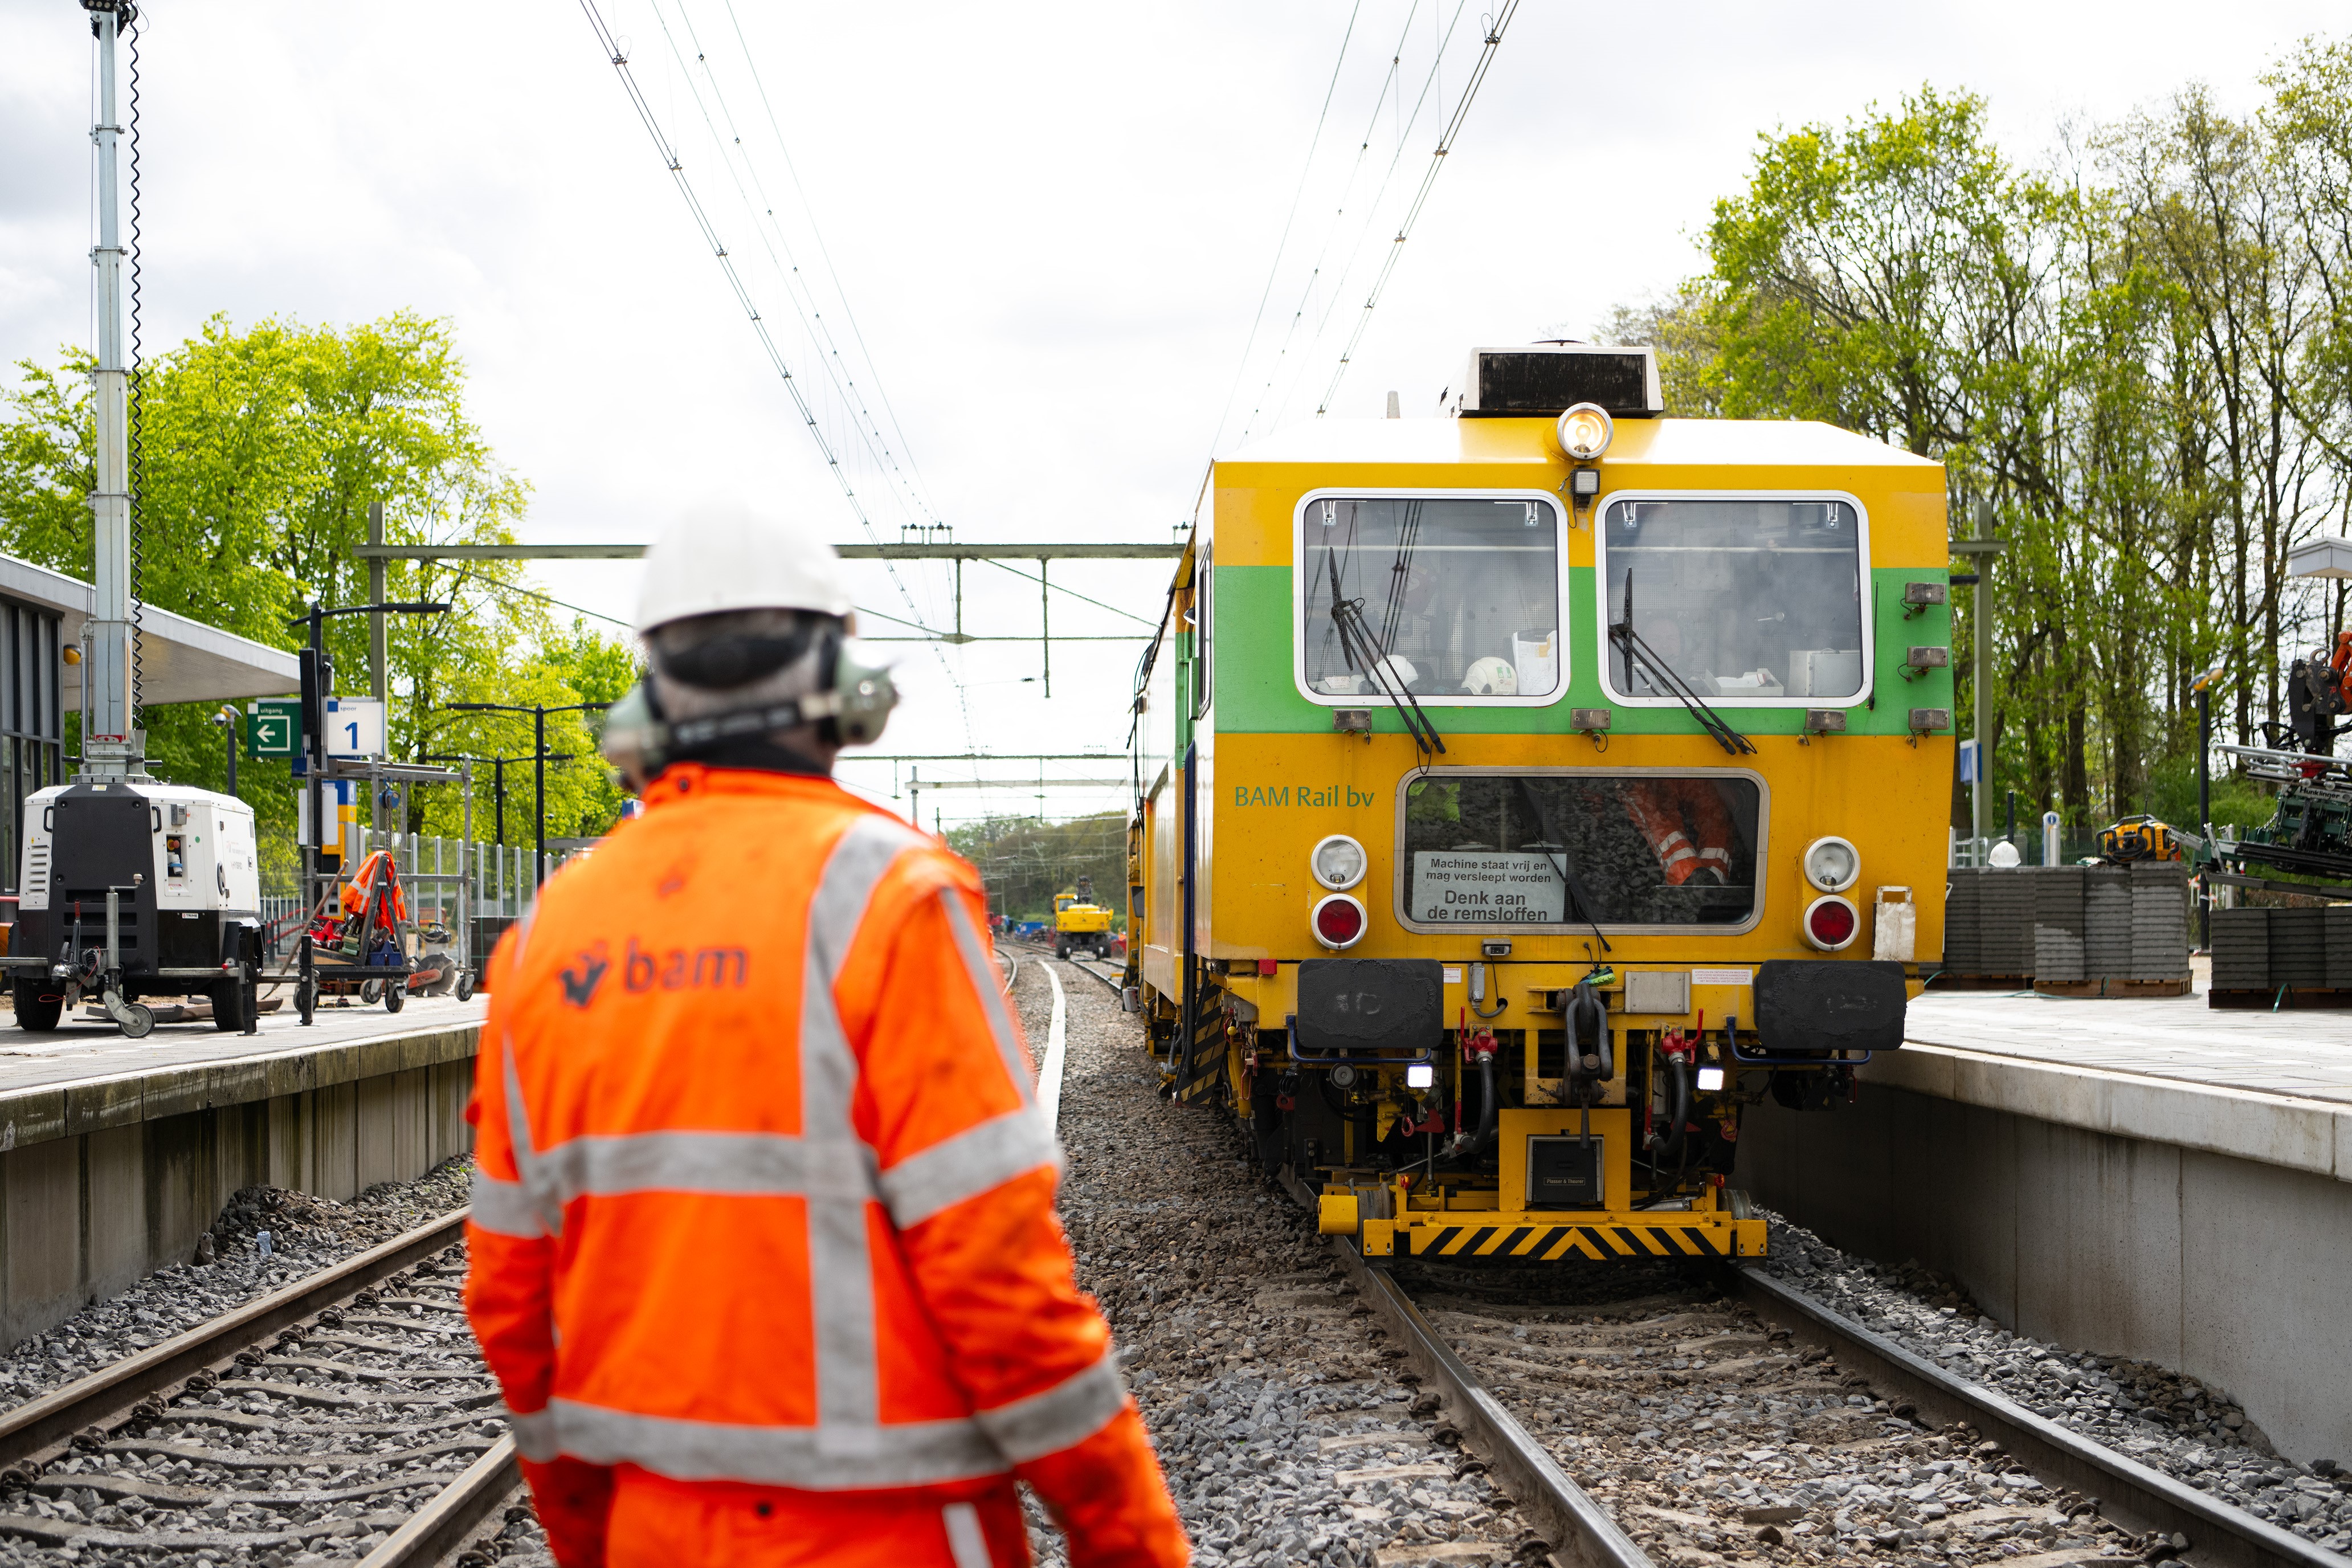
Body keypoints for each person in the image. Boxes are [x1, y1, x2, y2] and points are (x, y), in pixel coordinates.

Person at [464, 503, 1189, 1568]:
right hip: (887, 1530)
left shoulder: (547, 938)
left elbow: (510, 1296)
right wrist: (1127, 1539)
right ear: (844, 688)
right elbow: (994, 1275)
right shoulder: (886, 896)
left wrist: (590, 1532)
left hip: (651, 1534)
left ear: (650, 692)